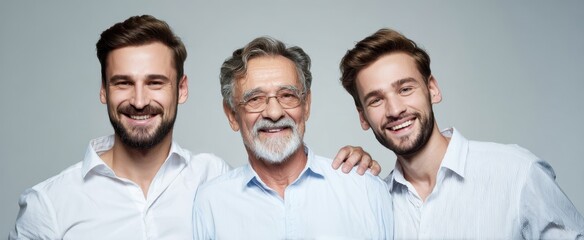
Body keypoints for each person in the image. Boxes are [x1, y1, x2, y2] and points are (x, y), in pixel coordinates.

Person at [8, 15, 379, 240]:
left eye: (155, 82)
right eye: (123, 83)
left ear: (180, 89)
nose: (139, 100)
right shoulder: (50, 204)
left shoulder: (210, 178)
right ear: (103, 91)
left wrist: (359, 166)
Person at [339, 28, 584, 239]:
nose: (395, 110)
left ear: (432, 89)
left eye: (405, 88)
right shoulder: (376, 203)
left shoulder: (517, 173)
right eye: (376, 100)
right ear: (363, 116)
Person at [192, 36, 394, 240]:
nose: (274, 113)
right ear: (232, 115)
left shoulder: (364, 190)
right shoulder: (210, 204)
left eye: (287, 95)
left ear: (306, 105)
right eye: (255, 99)